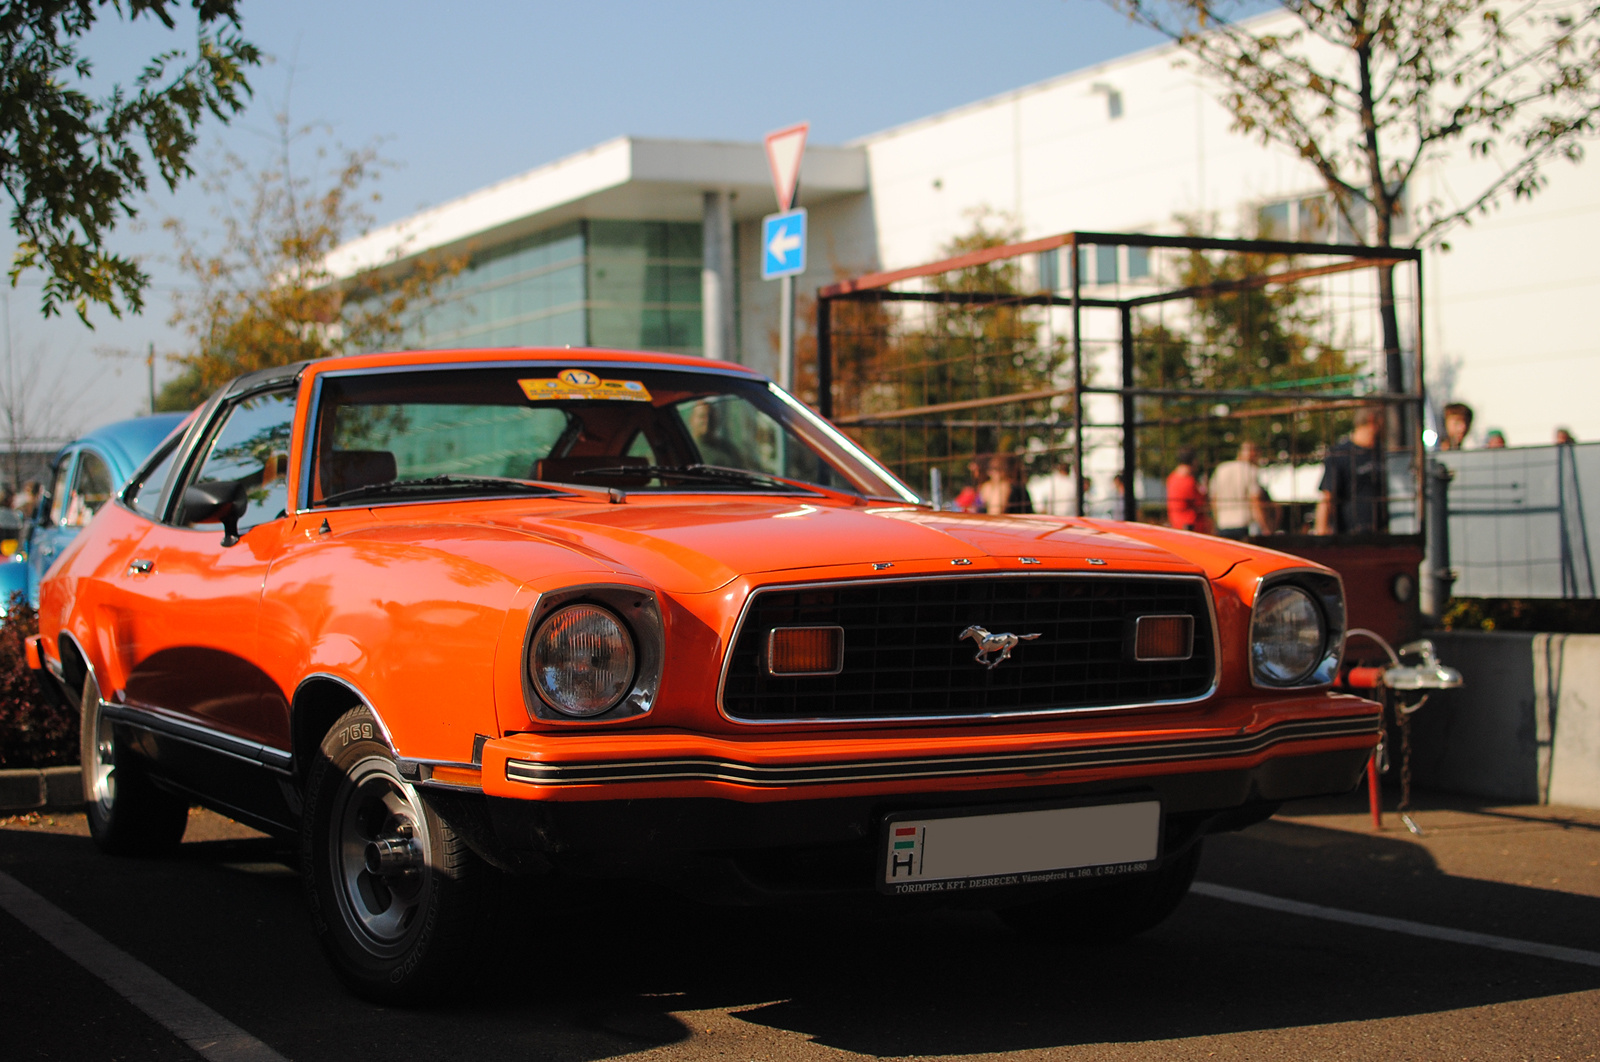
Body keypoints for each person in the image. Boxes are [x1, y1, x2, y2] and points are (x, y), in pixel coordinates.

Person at [1315, 406, 1388, 535]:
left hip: (1382, 535)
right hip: (1350, 536)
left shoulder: (1383, 452)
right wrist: (1321, 535)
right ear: (1372, 419)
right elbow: (1327, 498)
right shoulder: (1340, 453)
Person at [1211, 441, 1276, 539]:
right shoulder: (1251, 471)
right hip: (1243, 526)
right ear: (1254, 454)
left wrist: (1216, 522)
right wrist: (1265, 527)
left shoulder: (1221, 469)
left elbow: (1214, 500)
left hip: (1223, 525)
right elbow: (1255, 501)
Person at [1165, 448, 1210, 533]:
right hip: (1191, 527)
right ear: (1193, 461)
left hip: (1176, 524)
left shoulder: (1171, 478)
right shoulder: (1189, 482)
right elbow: (1201, 503)